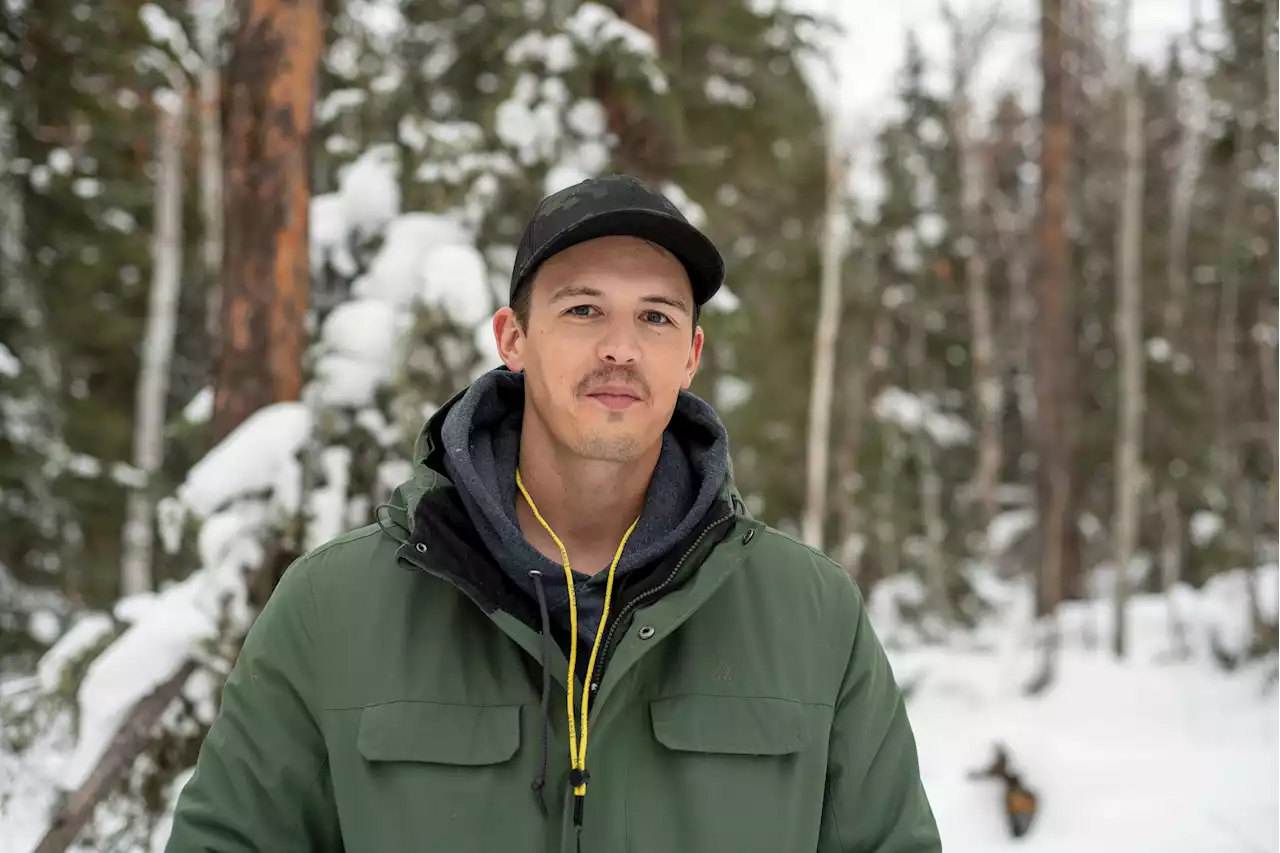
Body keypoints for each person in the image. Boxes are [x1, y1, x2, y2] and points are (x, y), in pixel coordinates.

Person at [165, 174, 941, 853]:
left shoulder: (811, 615)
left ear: (692, 354)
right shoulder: (334, 609)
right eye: (582, 310)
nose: (620, 349)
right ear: (514, 338)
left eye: (656, 317)